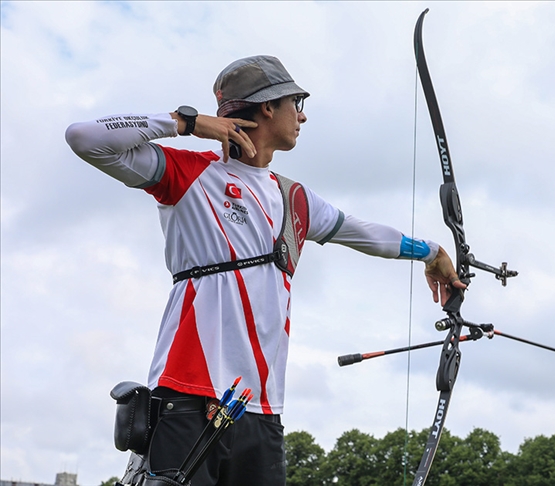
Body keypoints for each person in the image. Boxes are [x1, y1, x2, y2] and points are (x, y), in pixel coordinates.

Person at [65, 55, 466, 486]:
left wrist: (432, 251)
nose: (304, 115)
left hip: (262, 409)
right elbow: (84, 137)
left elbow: (363, 232)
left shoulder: (294, 199)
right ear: (268, 107)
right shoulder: (190, 175)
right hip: (188, 396)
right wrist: (187, 123)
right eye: (297, 102)